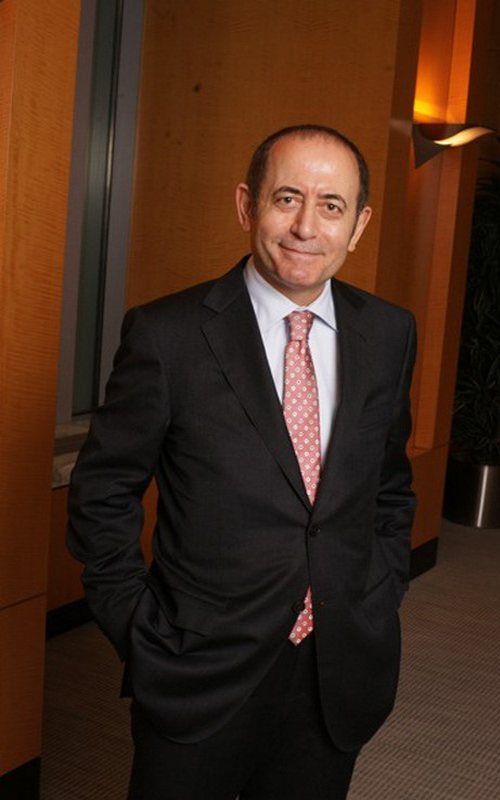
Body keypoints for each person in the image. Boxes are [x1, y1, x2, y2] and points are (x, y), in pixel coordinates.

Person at [67, 124, 417, 800]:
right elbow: (101, 496)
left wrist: (378, 595)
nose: (306, 227)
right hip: (197, 668)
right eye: (287, 198)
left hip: (338, 664)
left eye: (332, 206)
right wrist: (143, 635)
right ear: (246, 205)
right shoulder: (167, 335)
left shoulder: (389, 332)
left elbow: (389, 488)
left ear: (359, 226)